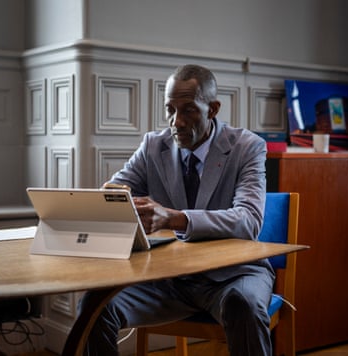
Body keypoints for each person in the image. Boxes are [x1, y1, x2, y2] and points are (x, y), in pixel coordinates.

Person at [80, 64, 275, 355]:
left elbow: (248, 221)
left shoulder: (247, 147)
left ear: (213, 109)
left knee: (243, 305)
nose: (177, 122)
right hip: (170, 279)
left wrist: (172, 218)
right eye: (170, 109)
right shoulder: (152, 146)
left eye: (188, 110)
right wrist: (113, 199)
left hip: (233, 275)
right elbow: (114, 192)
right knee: (95, 307)